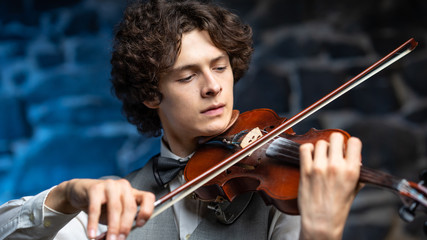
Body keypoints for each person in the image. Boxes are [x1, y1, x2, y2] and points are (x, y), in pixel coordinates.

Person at [0, 0, 363, 240]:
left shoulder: (277, 193)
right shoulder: (113, 205)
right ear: (150, 94)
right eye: (187, 77)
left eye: (220, 67)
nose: (213, 87)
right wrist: (66, 196)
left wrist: (321, 232)